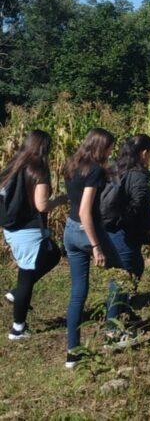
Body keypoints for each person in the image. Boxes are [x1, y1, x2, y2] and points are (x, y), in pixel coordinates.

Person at [1, 130, 66, 341]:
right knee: (26, 277)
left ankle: (15, 293)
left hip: (11, 226)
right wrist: (61, 200)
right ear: (45, 148)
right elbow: (42, 205)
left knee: (53, 254)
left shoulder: (13, 165)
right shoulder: (39, 169)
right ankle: (17, 329)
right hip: (27, 229)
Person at [63, 128, 119, 368]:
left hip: (69, 230)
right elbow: (86, 210)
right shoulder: (95, 171)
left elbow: (76, 201)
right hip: (88, 230)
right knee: (121, 276)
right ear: (101, 147)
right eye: (109, 148)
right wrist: (96, 245)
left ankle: (72, 351)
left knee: (78, 293)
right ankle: (114, 332)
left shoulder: (73, 165)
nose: (111, 152)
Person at [103, 134, 150, 344]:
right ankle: (112, 330)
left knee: (135, 267)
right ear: (144, 153)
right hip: (124, 232)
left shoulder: (113, 168)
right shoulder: (137, 175)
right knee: (121, 279)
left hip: (110, 229)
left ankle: (125, 314)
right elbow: (143, 210)